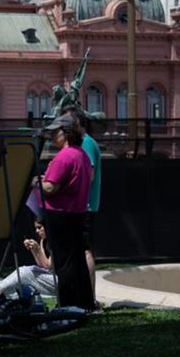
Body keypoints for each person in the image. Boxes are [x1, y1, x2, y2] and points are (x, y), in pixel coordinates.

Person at [33, 113, 95, 310]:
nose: (51, 137)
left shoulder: (64, 156)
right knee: (77, 261)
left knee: (63, 262)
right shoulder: (82, 155)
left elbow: (51, 188)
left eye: (55, 133)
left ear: (66, 133)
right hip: (77, 213)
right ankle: (84, 302)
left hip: (60, 215)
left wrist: (36, 182)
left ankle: (67, 304)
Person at [63, 106, 102, 304]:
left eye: (66, 122)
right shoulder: (86, 143)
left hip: (84, 207)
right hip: (83, 206)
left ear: (77, 122)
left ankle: (90, 299)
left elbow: (89, 175)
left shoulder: (86, 143)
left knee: (85, 251)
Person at [0, 219, 56, 300]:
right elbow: (41, 265)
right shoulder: (43, 241)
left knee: (24, 271)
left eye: (39, 227)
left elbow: (48, 266)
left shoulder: (56, 241)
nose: (37, 231)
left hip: (57, 280)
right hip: (48, 276)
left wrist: (37, 249)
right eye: (36, 228)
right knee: (24, 270)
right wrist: (33, 250)